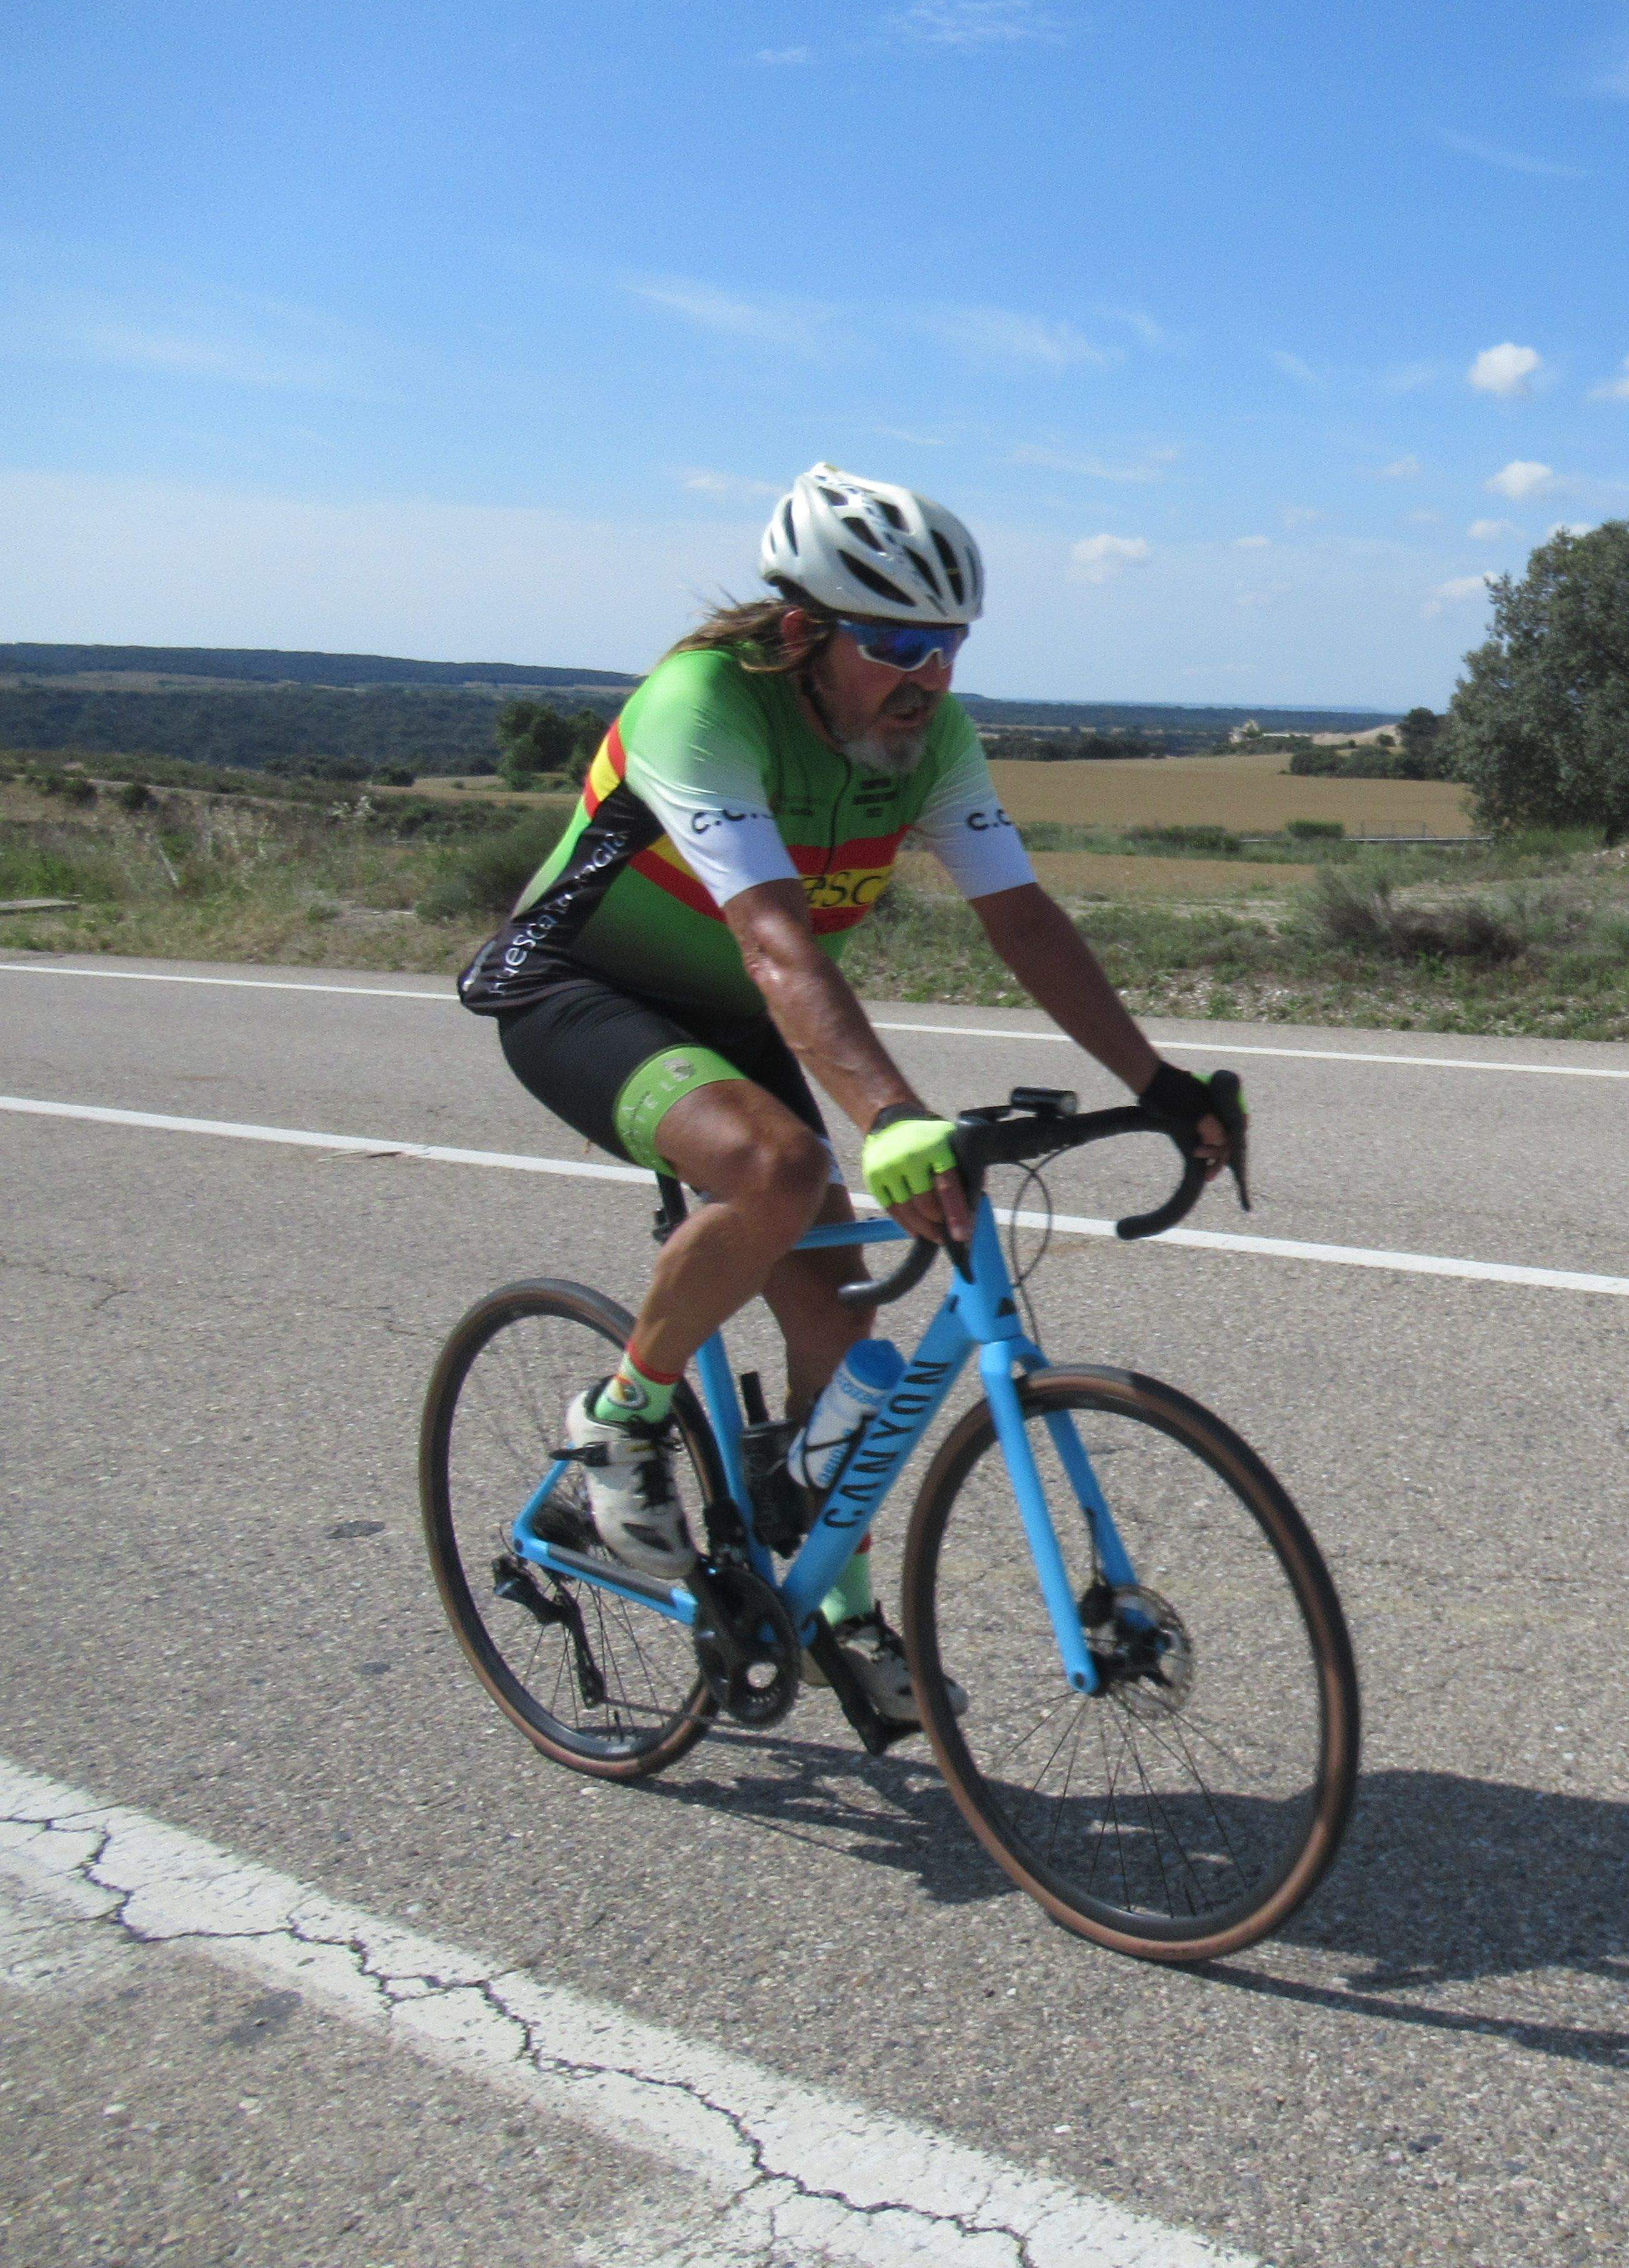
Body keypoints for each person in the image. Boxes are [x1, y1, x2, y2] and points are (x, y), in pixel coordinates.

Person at [456, 462, 1236, 1724]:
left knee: (841, 1327)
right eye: (896, 645)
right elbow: (777, 942)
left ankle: (838, 1608)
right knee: (780, 1170)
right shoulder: (702, 704)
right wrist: (889, 1117)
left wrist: (1156, 1082)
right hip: (582, 989)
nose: (928, 675)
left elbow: (1022, 919)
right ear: (803, 632)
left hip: (737, 1013)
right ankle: (619, 1418)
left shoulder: (934, 740)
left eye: (949, 644)